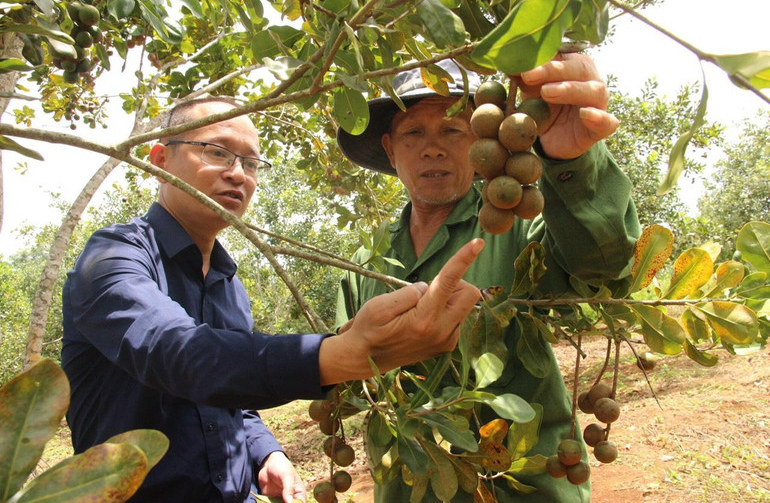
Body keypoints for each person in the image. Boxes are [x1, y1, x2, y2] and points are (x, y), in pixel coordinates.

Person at [61, 96, 484, 503]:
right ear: (159, 160)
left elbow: (231, 392)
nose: (237, 173)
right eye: (217, 152)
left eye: (250, 162)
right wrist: (338, 356)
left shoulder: (229, 286)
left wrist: (266, 452)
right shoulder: (112, 259)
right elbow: (176, 354)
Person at [335, 56, 640, 502]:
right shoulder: (364, 263)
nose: (433, 148)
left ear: (485, 140)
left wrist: (571, 161)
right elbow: (344, 373)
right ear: (388, 148)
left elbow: (603, 269)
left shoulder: (522, 227)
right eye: (414, 132)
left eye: (453, 130)